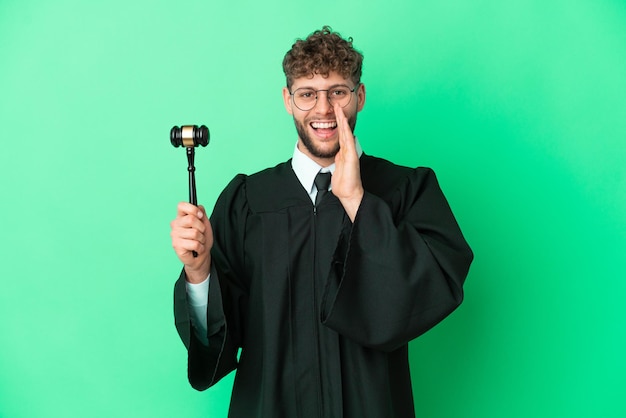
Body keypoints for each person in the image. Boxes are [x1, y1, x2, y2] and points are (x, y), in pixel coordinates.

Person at [170, 26, 473, 418]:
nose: (324, 109)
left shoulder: (404, 190)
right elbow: (223, 335)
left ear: (359, 96)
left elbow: (427, 291)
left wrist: (357, 201)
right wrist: (198, 272)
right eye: (308, 94)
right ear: (288, 100)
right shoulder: (248, 201)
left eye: (338, 92)